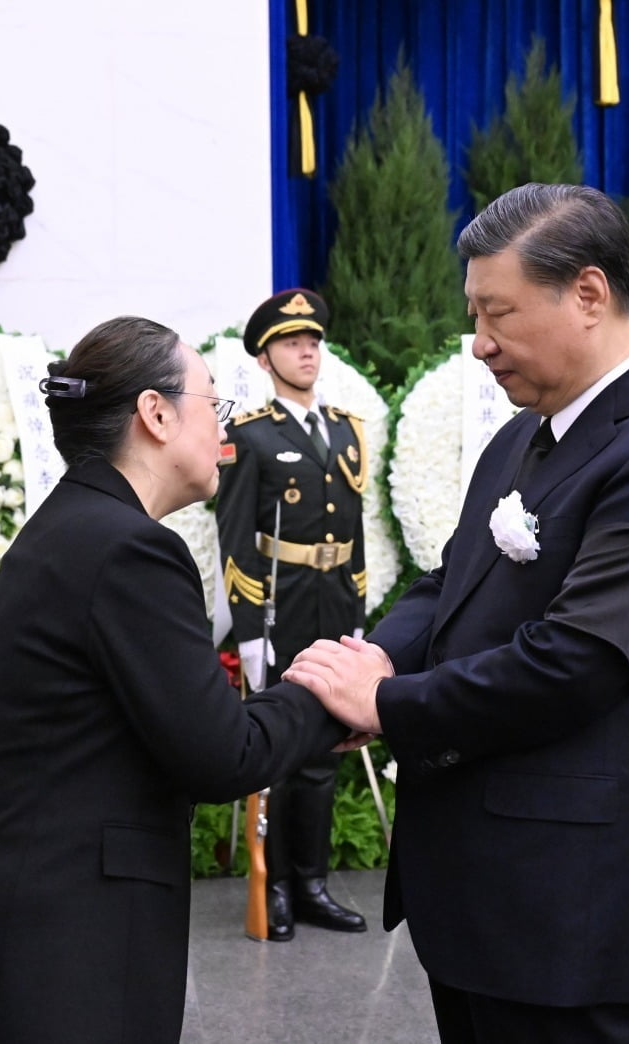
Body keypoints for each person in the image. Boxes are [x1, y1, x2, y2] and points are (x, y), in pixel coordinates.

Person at [285, 183, 629, 1042]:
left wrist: (385, 707)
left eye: (498, 313)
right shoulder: (525, 433)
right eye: (473, 314)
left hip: (582, 918)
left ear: (588, 294)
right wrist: (378, 660)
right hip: (490, 905)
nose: (479, 343)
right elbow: (448, 583)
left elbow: (580, 660)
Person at [0, 317, 346, 1044]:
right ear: (155, 414)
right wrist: (330, 692)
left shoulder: (71, 524)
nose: (224, 431)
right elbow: (224, 757)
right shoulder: (130, 550)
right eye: (211, 406)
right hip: (65, 949)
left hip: (22, 925)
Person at [215, 289, 368, 941]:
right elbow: (234, 536)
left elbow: (354, 526)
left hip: (332, 601)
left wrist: (357, 612)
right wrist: (248, 631)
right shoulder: (249, 435)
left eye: (313, 342)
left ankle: (311, 883)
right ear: (264, 357)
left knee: (325, 748)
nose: (306, 351)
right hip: (278, 607)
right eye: (290, 343)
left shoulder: (345, 427)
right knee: (279, 750)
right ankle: (273, 884)